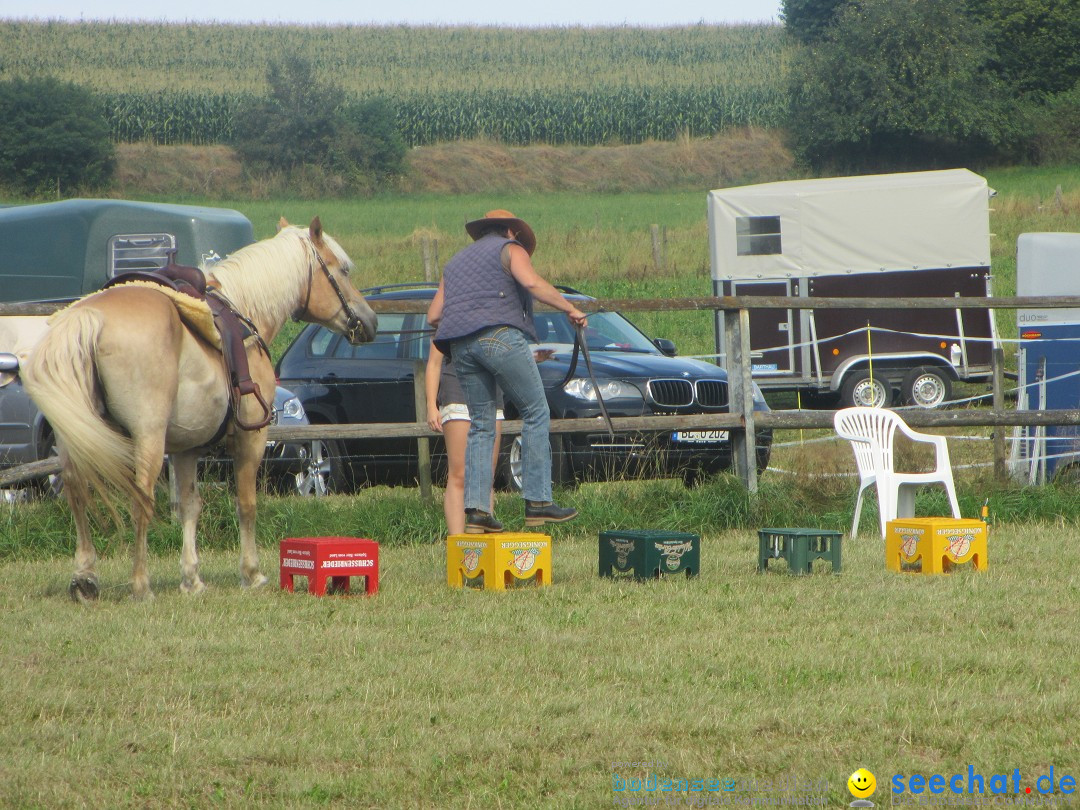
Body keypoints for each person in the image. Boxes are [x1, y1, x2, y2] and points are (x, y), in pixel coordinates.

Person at [427, 209, 587, 533]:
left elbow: (434, 316)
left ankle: (477, 512)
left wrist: (470, 315)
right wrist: (569, 308)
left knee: (482, 425)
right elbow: (531, 282)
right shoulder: (509, 249)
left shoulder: (455, 264)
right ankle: (538, 501)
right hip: (500, 336)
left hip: (460, 348)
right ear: (511, 232)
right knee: (536, 410)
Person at [425, 340, 503, 535]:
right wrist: (431, 406)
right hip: (458, 392)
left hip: (492, 393)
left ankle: (481, 543)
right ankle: (458, 544)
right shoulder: (452, 312)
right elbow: (434, 363)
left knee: (487, 473)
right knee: (459, 474)